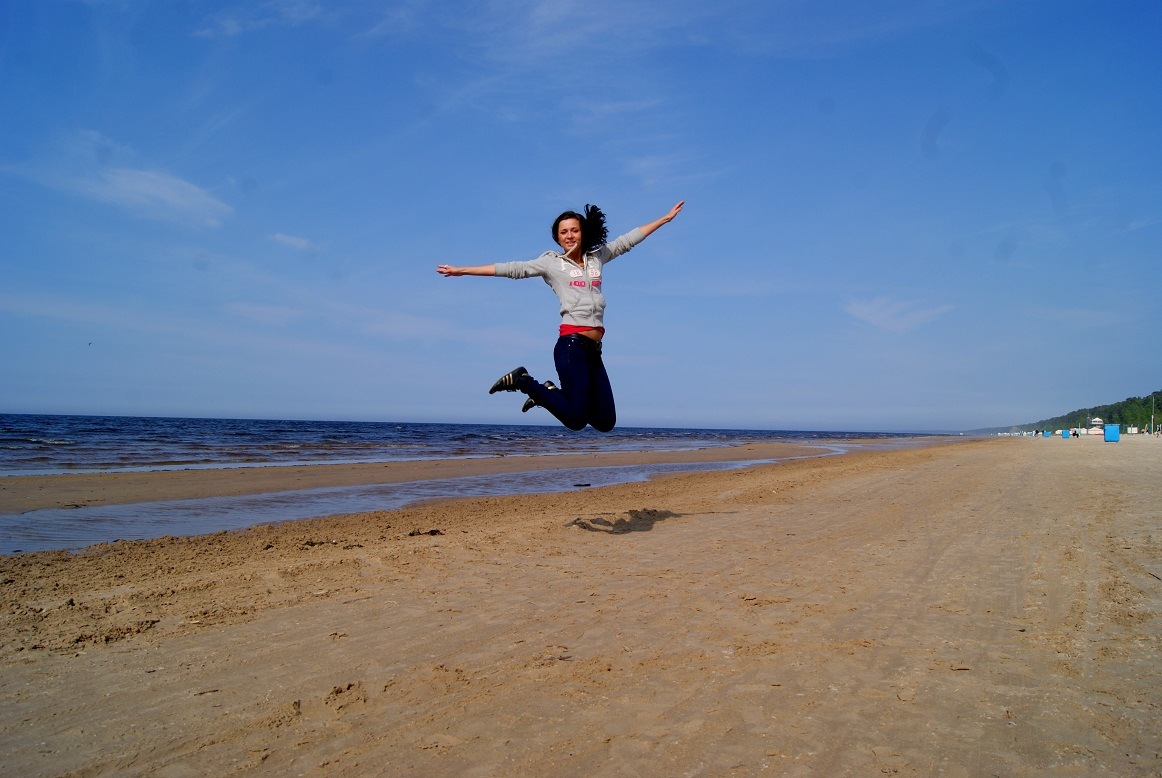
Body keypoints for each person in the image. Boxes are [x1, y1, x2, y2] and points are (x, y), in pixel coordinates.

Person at [437, 201, 684, 432]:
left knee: (605, 421)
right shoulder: (552, 264)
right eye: (564, 232)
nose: (569, 236)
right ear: (557, 238)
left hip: (594, 351)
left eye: (574, 230)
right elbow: (513, 269)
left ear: (583, 232)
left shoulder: (596, 257)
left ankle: (548, 394)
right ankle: (523, 381)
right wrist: (463, 270)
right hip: (571, 347)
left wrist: (664, 219)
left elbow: (627, 241)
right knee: (576, 420)